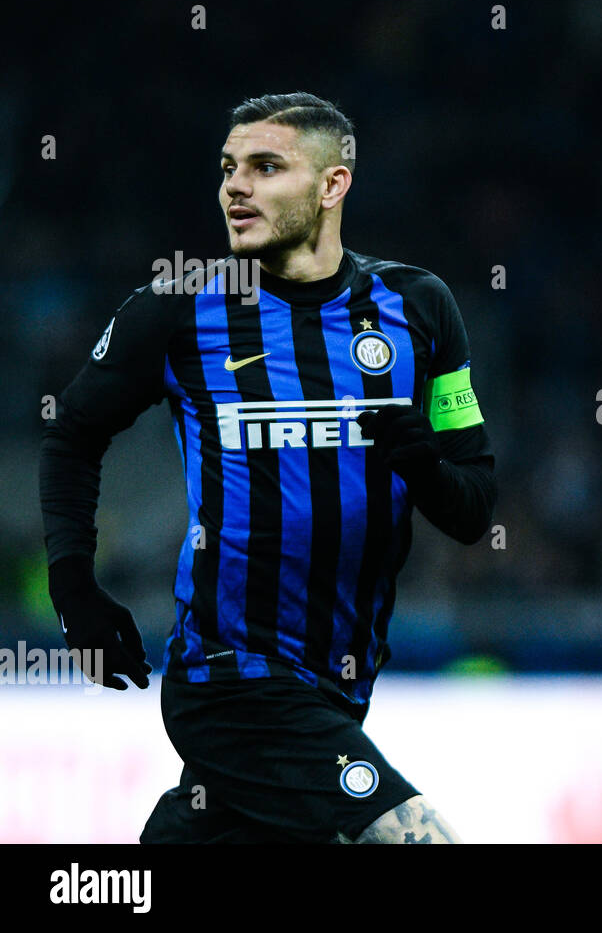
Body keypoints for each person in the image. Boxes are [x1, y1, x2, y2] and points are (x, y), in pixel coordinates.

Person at [38, 92, 496, 843]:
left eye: (265, 166)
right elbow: (71, 434)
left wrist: (421, 462)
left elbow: (473, 510)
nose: (235, 187)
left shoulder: (421, 309)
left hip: (338, 686)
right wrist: (72, 583)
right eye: (227, 169)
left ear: (331, 185)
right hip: (229, 678)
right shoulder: (181, 306)